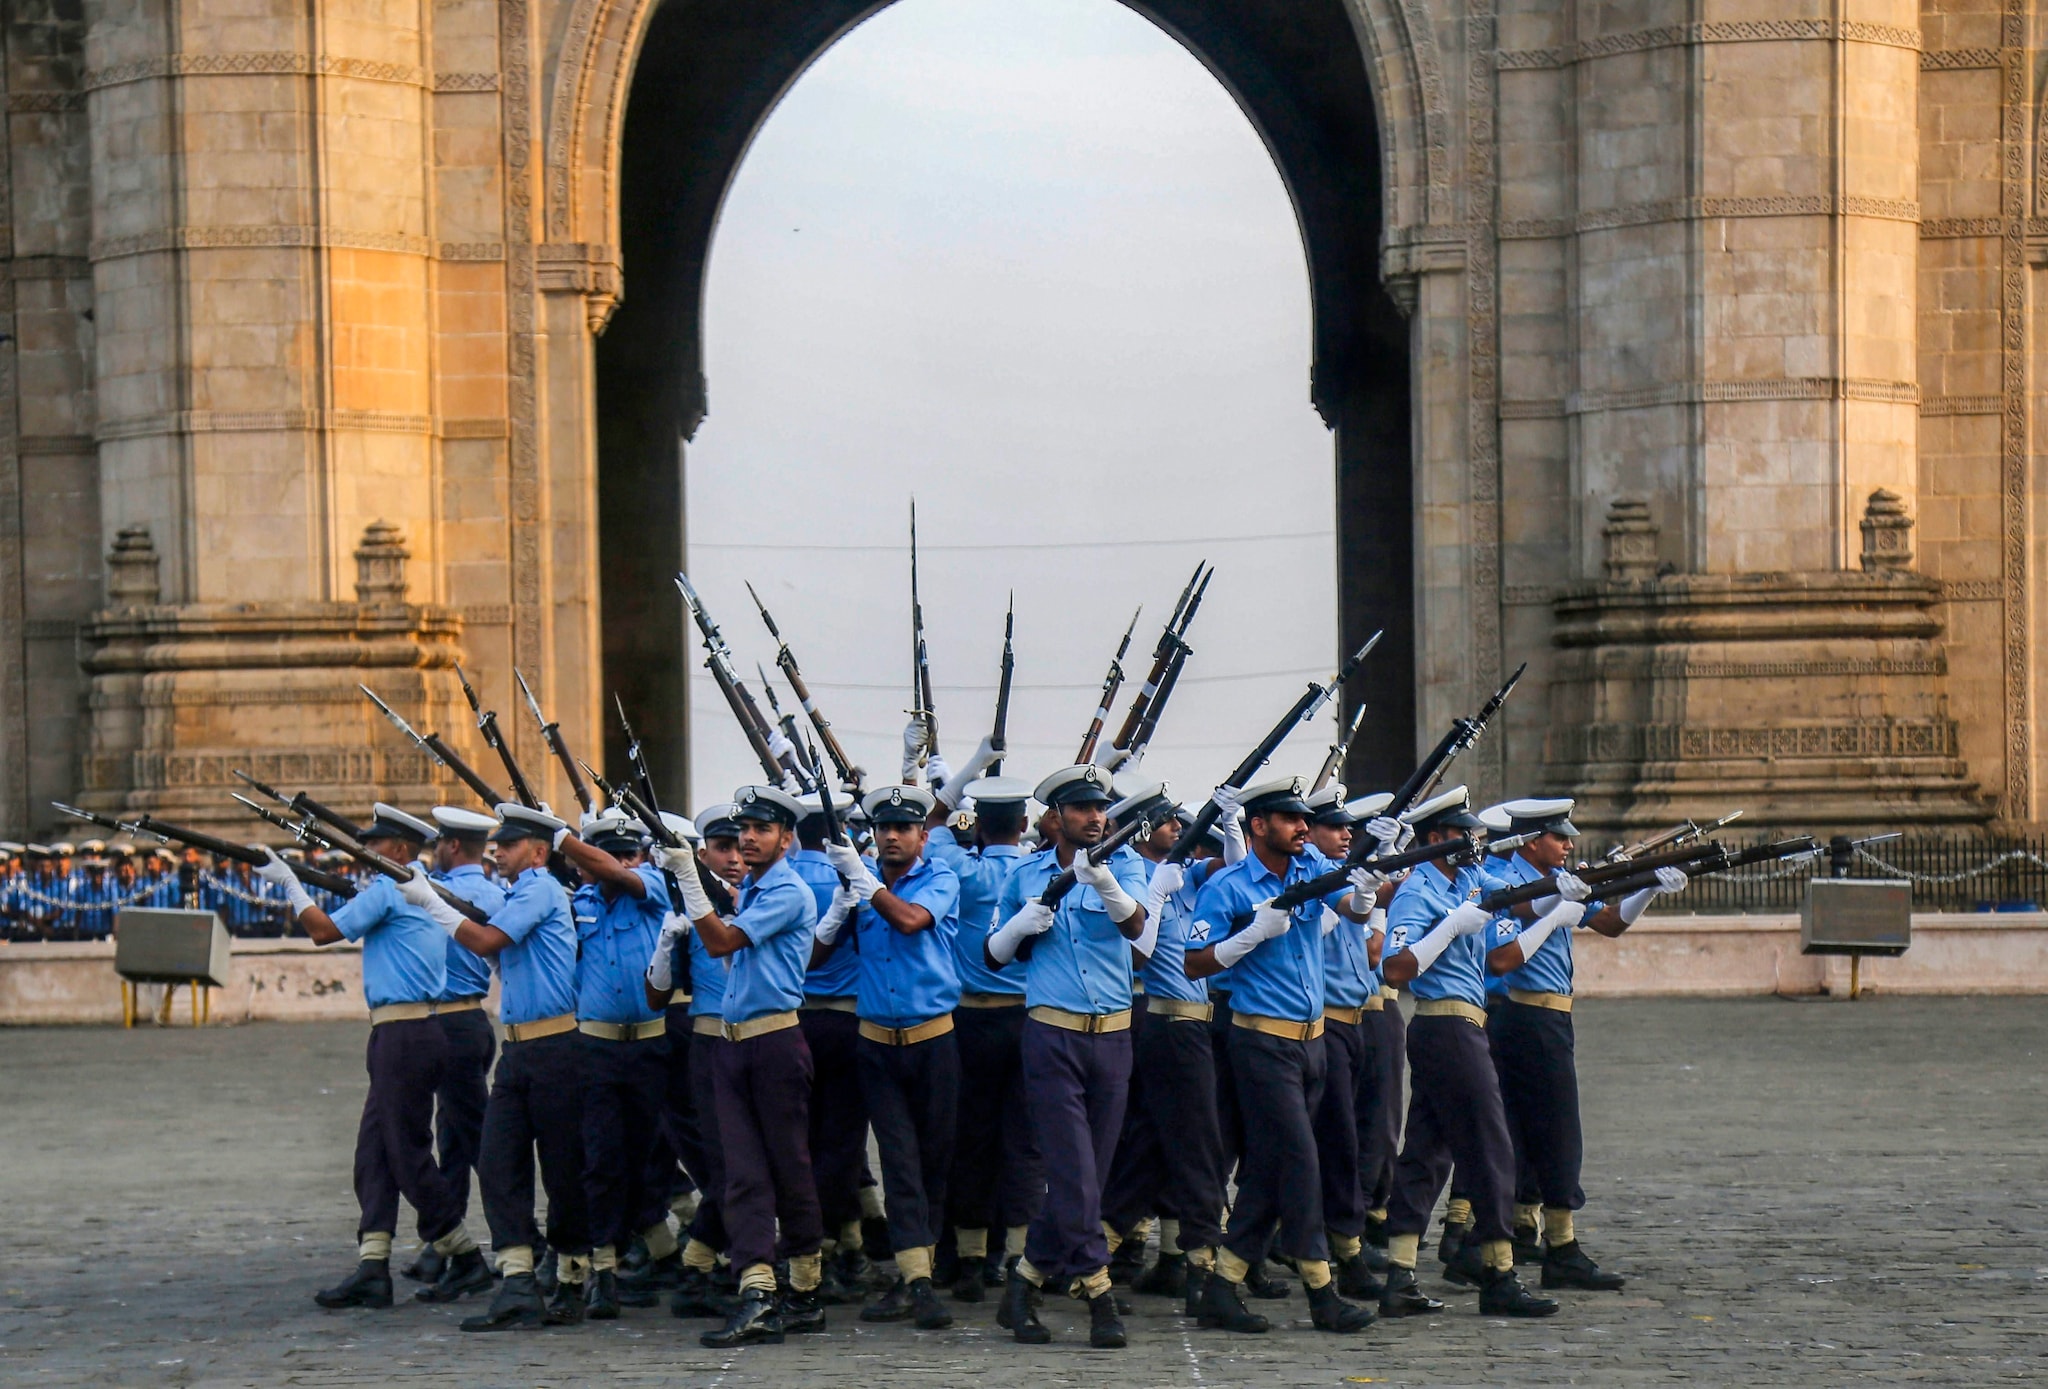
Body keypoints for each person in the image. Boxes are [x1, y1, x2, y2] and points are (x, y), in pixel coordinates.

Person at [252, 804, 486, 1311]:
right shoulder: (416, 887)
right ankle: (372, 1265)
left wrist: (291, 884)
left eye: (375, 846)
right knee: (374, 1154)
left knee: (404, 1153)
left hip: (402, 1035)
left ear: (398, 849)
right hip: (411, 1031)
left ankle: (463, 1253)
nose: (367, 854)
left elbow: (322, 932)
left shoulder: (389, 889)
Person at [1183, 776, 1377, 1335]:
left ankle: (1222, 1287)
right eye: (1290, 820)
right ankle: (1322, 1290)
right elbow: (1195, 964)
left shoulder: (1309, 868)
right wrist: (1252, 934)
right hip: (1261, 1043)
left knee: (1269, 1169)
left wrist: (1363, 889)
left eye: (1302, 819)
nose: (1302, 828)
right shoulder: (1228, 887)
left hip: (1312, 1042)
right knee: (1300, 1163)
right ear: (1258, 825)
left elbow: (1353, 909)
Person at [394, 804, 588, 1331]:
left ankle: (572, 1274)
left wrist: (429, 900)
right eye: (497, 843)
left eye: (511, 843)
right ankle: (518, 1279)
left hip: (556, 1048)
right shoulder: (517, 894)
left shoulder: (541, 889)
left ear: (540, 852)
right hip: (518, 1050)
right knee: (500, 1164)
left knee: (563, 1170)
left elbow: (485, 942)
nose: (498, 851)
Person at [1481, 797, 1685, 1292]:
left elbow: (1609, 923)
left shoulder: (1561, 883)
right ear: (1532, 841)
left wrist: (1648, 887)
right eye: (1559, 837)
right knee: (1557, 1132)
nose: (1569, 844)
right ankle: (1560, 1247)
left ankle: (1531, 1236)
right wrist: (1553, 910)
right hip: (1526, 1016)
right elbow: (1500, 958)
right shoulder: (1508, 884)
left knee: (1540, 1131)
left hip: (1551, 1017)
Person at [653, 784, 827, 1348]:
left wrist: (687, 876)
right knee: (744, 1171)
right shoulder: (753, 888)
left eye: (761, 830)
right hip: (733, 1045)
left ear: (786, 838)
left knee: (788, 1169)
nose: (748, 839)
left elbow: (722, 942)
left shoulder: (789, 891)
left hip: (773, 1045)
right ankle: (761, 1291)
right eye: (743, 830)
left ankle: (800, 1289)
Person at [984, 763, 1150, 1349]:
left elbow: (1144, 940)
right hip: (1052, 1036)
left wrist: (1102, 882)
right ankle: (1099, 1291)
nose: (1095, 817)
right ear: (1055, 818)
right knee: (1075, 1171)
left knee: (1088, 1176)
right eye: (1081, 809)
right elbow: (994, 953)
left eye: (1099, 808)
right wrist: (1024, 923)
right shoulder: (1024, 874)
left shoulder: (1126, 864)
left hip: (1113, 1036)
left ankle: (1025, 1282)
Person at [1377, 787, 1559, 1318]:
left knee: (1427, 1153)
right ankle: (1499, 1272)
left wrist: (1565, 893)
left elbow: (1520, 898)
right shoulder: (1418, 892)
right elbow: (1395, 969)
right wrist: (1450, 926)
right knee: (1491, 1146)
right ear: (1436, 838)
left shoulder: (1469, 878)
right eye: (1464, 834)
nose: (1475, 842)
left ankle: (1399, 1274)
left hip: (1459, 1028)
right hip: (1447, 1026)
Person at [812, 783, 962, 1327]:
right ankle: (914, 1282)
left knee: (934, 1162)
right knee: (898, 1162)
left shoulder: (939, 878)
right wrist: (838, 905)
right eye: (884, 829)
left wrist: (864, 881)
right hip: (876, 1044)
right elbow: (814, 960)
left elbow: (910, 921)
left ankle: (923, 1267)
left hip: (933, 1042)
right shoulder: (858, 884)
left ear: (924, 836)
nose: (892, 836)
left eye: (903, 828)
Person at [1097, 784, 1227, 1315]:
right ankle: (1202, 1270)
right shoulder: (1133, 876)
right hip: (1167, 1023)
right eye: (1169, 821)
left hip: (1190, 1026)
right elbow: (1139, 953)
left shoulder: (1178, 871)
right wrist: (1156, 889)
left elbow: (1228, 868)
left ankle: (1086, 1251)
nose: (1179, 828)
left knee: (1151, 1149)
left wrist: (1234, 818)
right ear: (1143, 828)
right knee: (1199, 1149)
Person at [556, 808, 675, 1319]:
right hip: (597, 1048)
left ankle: (637, 1249)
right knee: (601, 1160)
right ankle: (602, 1267)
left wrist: (560, 836)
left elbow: (622, 876)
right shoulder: (576, 904)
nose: (624, 861)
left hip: (650, 1045)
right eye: (612, 852)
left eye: (631, 852)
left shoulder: (650, 889)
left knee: (648, 1159)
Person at [925, 772, 1038, 1301]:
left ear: (982, 827)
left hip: (967, 1019)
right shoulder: (1040, 872)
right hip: (1028, 1018)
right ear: (1024, 824)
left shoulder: (958, 870)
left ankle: (969, 1257)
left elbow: (931, 828)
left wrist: (963, 774)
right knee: (1022, 1143)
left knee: (969, 1139)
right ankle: (1012, 1256)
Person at [1304, 786, 1403, 1302]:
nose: (1346, 835)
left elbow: (1367, 943)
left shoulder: (1339, 880)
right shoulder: (1309, 883)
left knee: (1363, 1135)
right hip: (1324, 1026)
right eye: (1335, 828)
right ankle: (1330, 1246)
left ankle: (1345, 1243)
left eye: (1350, 829)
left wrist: (1385, 866)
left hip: (1358, 1021)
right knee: (1336, 1143)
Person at [401, 806, 505, 1292]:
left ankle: (519, 1241)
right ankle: (445, 1243)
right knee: (456, 1138)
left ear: (453, 846)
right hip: (468, 1022)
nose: (434, 849)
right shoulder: (489, 889)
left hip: (453, 1023)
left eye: (439, 841)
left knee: (479, 1140)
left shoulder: (447, 889)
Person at [787, 793, 872, 1297]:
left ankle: (814, 1242)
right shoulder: (855, 878)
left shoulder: (783, 879)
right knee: (841, 1142)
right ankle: (840, 1242)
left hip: (795, 1021)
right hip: (847, 1021)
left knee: (802, 1140)